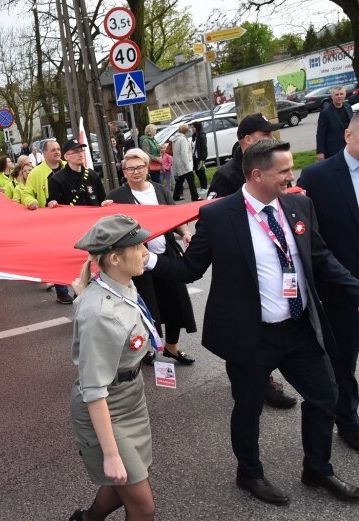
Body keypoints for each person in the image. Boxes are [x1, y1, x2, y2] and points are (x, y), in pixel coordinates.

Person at [148, 139, 359, 504]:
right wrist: (147, 262)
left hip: (298, 330)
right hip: (251, 335)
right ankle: (249, 473)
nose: (291, 176)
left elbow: (321, 258)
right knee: (247, 408)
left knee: (326, 396)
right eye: (284, 171)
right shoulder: (218, 215)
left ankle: (318, 468)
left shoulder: (298, 205)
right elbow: (190, 268)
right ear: (257, 174)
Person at [68, 215, 157, 521]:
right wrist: (110, 453)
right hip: (107, 406)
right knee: (143, 507)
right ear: (116, 258)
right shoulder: (100, 314)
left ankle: (87, 519)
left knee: (129, 479)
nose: (146, 251)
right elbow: (93, 390)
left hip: (131, 396)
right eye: (139, 246)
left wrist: (84, 296)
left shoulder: (120, 283)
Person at [205, 114, 295, 408]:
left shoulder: (274, 166)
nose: (270, 139)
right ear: (246, 140)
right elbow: (212, 216)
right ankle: (259, 382)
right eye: (262, 135)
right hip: (242, 272)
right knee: (250, 339)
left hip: (275, 261)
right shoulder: (226, 175)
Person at [298, 112, 359, 452]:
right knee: (344, 361)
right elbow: (313, 239)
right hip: (341, 291)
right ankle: (347, 421)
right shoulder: (318, 177)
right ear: (348, 136)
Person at [107, 149, 197, 366]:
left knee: (175, 303)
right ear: (125, 172)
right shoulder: (116, 196)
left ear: (148, 168)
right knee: (147, 307)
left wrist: (184, 232)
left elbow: (173, 218)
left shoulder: (159, 190)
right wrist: (104, 210)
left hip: (165, 256)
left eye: (140, 167)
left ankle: (171, 347)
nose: (135, 172)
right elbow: (108, 226)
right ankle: (147, 348)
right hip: (137, 263)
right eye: (130, 168)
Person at [20, 139, 71, 304]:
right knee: (59, 257)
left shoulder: (68, 166)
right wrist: (31, 202)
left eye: (58, 149)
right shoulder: (36, 173)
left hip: (72, 220)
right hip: (51, 223)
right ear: (44, 154)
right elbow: (26, 194)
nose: (57, 152)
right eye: (53, 150)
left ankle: (82, 288)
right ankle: (62, 291)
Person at [208, 113, 283, 199]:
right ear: (248, 139)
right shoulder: (225, 176)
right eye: (266, 134)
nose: (273, 139)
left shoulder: (277, 166)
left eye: (271, 134)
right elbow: (215, 210)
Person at [47, 139, 107, 207]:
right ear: (66, 157)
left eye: (81, 151)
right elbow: (55, 206)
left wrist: (105, 203)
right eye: (76, 152)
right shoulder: (57, 180)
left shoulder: (92, 175)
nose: (80, 154)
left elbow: (103, 199)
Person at [316, 86, 353, 160]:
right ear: (332, 97)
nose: (339, 96)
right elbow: (320, 134)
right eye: (337, 94)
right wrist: (320, 152)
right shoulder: (325, 113)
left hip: (349, 147)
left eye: (341, 94)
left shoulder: (348, 107)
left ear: (345, 95)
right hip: (334, 150)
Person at [170, 124, 200, 202]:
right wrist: (187, 165)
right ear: (185, 131)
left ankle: (175, 196)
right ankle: (195, 197)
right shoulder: (183, 139)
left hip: (178, 163)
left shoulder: (175, 139)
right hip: (184, 163)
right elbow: (184, 153)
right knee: (191, 180)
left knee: (180, 180)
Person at [191, 121, 209, 193]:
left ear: (197, 127)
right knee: (197, 172)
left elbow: (204, 147)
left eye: (193, 127)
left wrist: (203, 158)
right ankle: (202, 187)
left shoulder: (202, 136)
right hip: (195, 157)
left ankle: (204, 187)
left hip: (200, 157)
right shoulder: (194, 136)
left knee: (201, 172)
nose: (192, 129)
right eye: (192, 127)